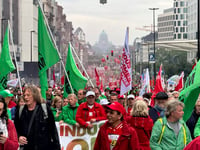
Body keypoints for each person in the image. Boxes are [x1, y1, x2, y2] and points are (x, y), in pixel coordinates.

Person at [14, 85, 60, 150]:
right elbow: (15, 129)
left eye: (28, 95)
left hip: (44, 147)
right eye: (24, 95)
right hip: (27, 147)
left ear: (35, 95)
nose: (26, 97)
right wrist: (18, 137)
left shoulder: (45, 109)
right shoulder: (20, 110)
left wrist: (57, 147)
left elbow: (53, 130)